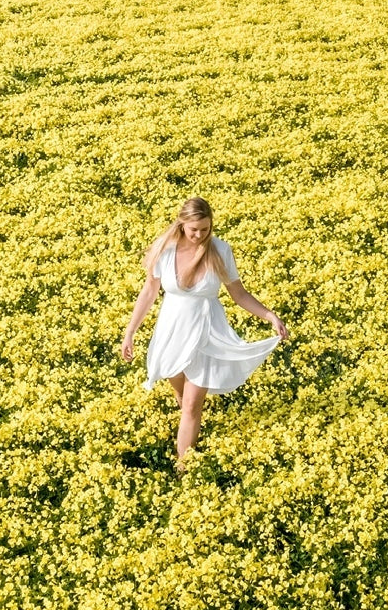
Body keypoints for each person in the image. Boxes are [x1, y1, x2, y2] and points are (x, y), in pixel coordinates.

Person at [121, 196, 289, 471]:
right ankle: (191, 433)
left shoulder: (220, 250)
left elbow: (238, 293)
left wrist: (270, 315)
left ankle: (183, 468)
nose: (200, 235)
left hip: (206, 334)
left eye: (205, 229)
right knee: (182, 397)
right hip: (172, 332)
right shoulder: (165, 250)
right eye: (194, 230)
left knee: (190, 407)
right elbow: (148, 293)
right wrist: (130, 333)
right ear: (182, 224)